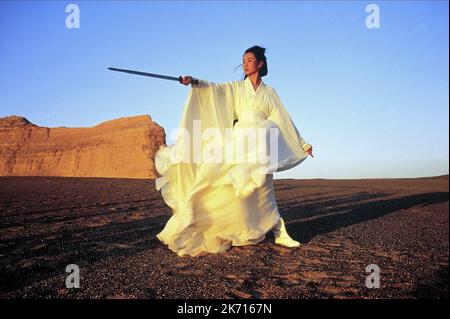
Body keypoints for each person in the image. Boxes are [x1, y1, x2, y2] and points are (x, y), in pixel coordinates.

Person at [154, 45, 314, 257]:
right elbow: (215, 89)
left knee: (264, 187)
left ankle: (279, 231)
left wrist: (303, 143)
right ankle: (207, 220)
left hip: (261, 144)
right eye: (243, 60)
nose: (245, 64)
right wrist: (194, 82)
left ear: (260, 63)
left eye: (249, 60)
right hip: (241, 139)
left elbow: (283, 118)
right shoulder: (236, 88)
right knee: (221, 181)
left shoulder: (270, 92)